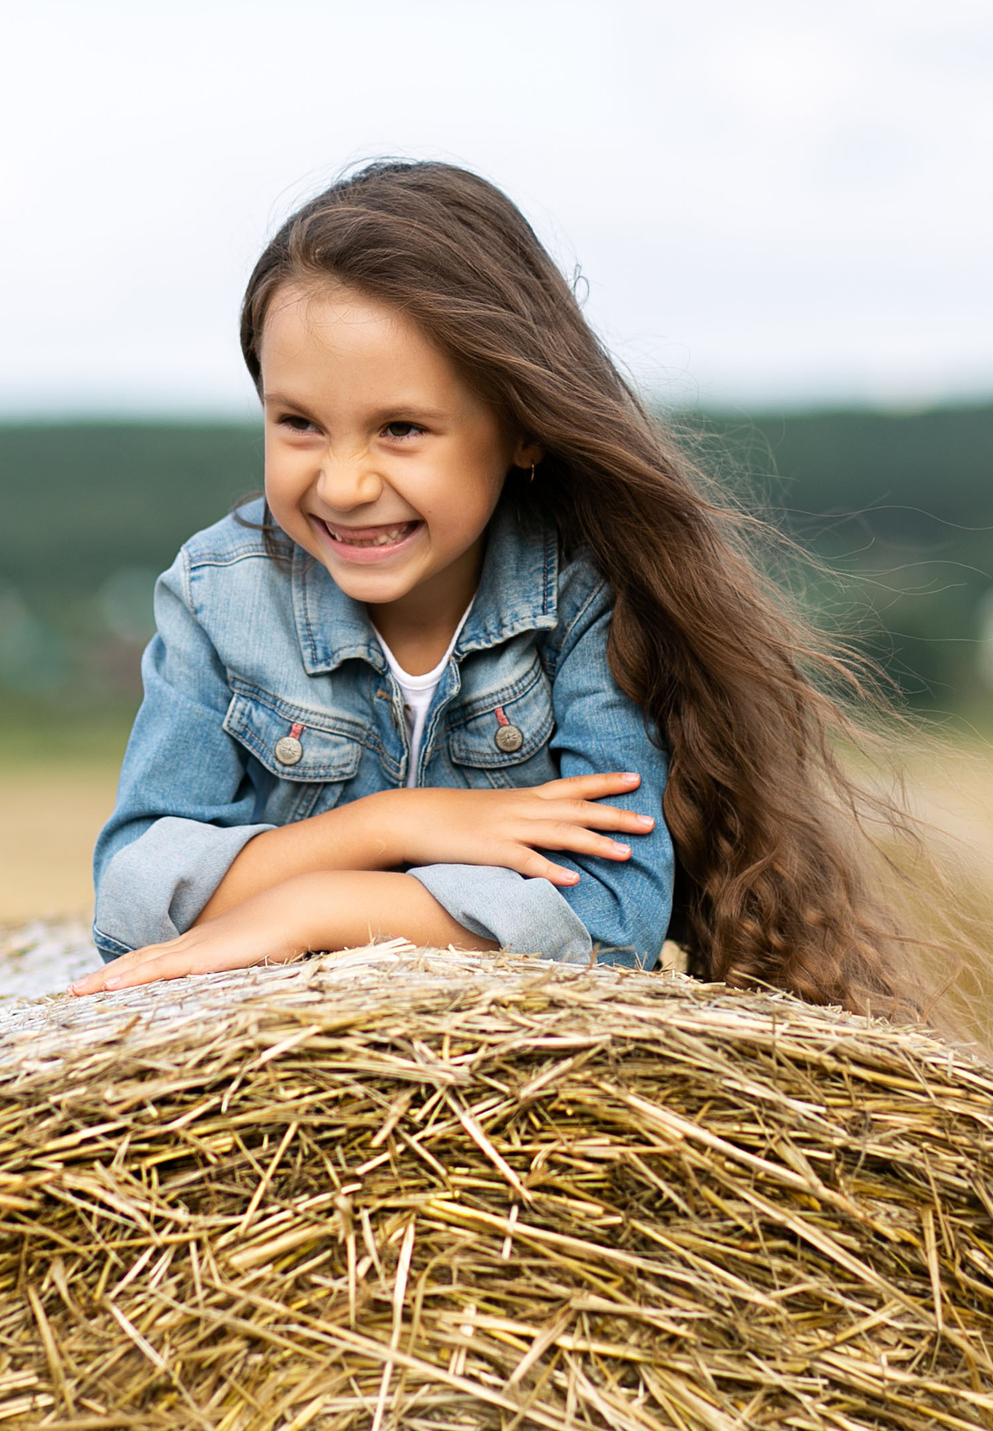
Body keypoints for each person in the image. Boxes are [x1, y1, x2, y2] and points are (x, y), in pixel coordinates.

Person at [71, 161, 923, 1015]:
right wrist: (396, 826)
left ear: (522, 428)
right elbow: (137, 896)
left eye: (400, 429)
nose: (344, 482)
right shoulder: (220, 597)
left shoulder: (586, 603)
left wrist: (310, 905)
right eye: (299, 423)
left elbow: (609, 925)